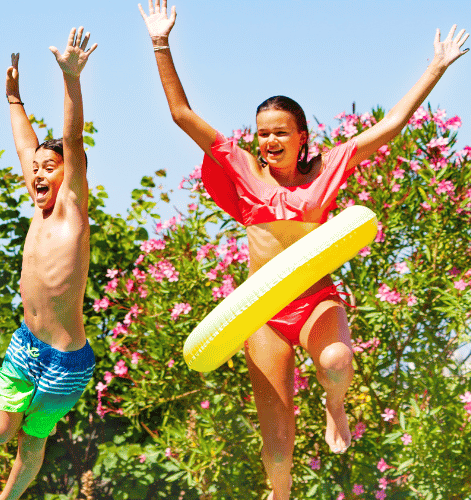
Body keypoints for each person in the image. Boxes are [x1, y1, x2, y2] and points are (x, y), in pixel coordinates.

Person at [138, 1, 468, 497]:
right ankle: (282, 493)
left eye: (279, 133)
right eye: (263, 132)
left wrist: (435, 67)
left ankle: (335, 406)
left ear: (301, 137)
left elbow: (393, 124)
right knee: (276, 444)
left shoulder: (328, 168)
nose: (269, 140)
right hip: (263, 312)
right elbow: (182, 113)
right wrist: (160, 42)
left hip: (315, 300)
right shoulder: (244, 168)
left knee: (335, 360)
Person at [0, 27, 98, 500]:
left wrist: (70, 79)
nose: (38, 174)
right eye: (36, 170)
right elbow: (26, 149)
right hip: (26, 346)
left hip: (66, 361)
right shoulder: (38, 208)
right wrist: (14, 99)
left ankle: (5, 499)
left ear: (68, 174)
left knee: (32, 441)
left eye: (49, 168)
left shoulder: (72, 205)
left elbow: (70, 138)